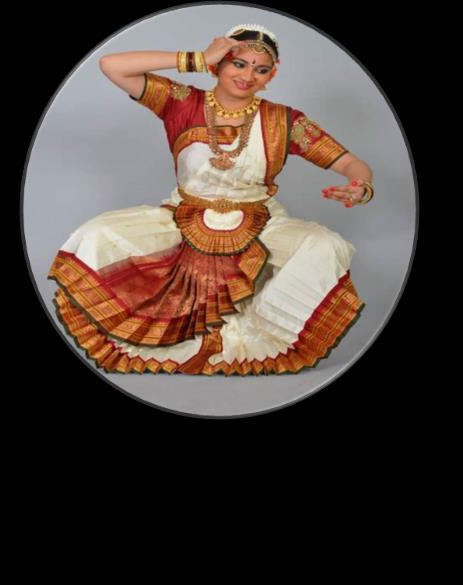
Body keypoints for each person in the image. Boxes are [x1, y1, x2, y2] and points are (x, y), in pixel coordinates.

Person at [48, 24, 374, 376]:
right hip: (182, 218)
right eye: (238, 64)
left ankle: (269, 336)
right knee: (97, 235)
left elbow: (350, 163)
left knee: (324, 244)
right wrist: (197, 58)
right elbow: (112, 65)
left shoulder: (284, 121)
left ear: (271, 76)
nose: (247, 76)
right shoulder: (181, 102)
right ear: (218, 65)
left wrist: (361, 185)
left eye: (260, 69)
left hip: (260, 223)